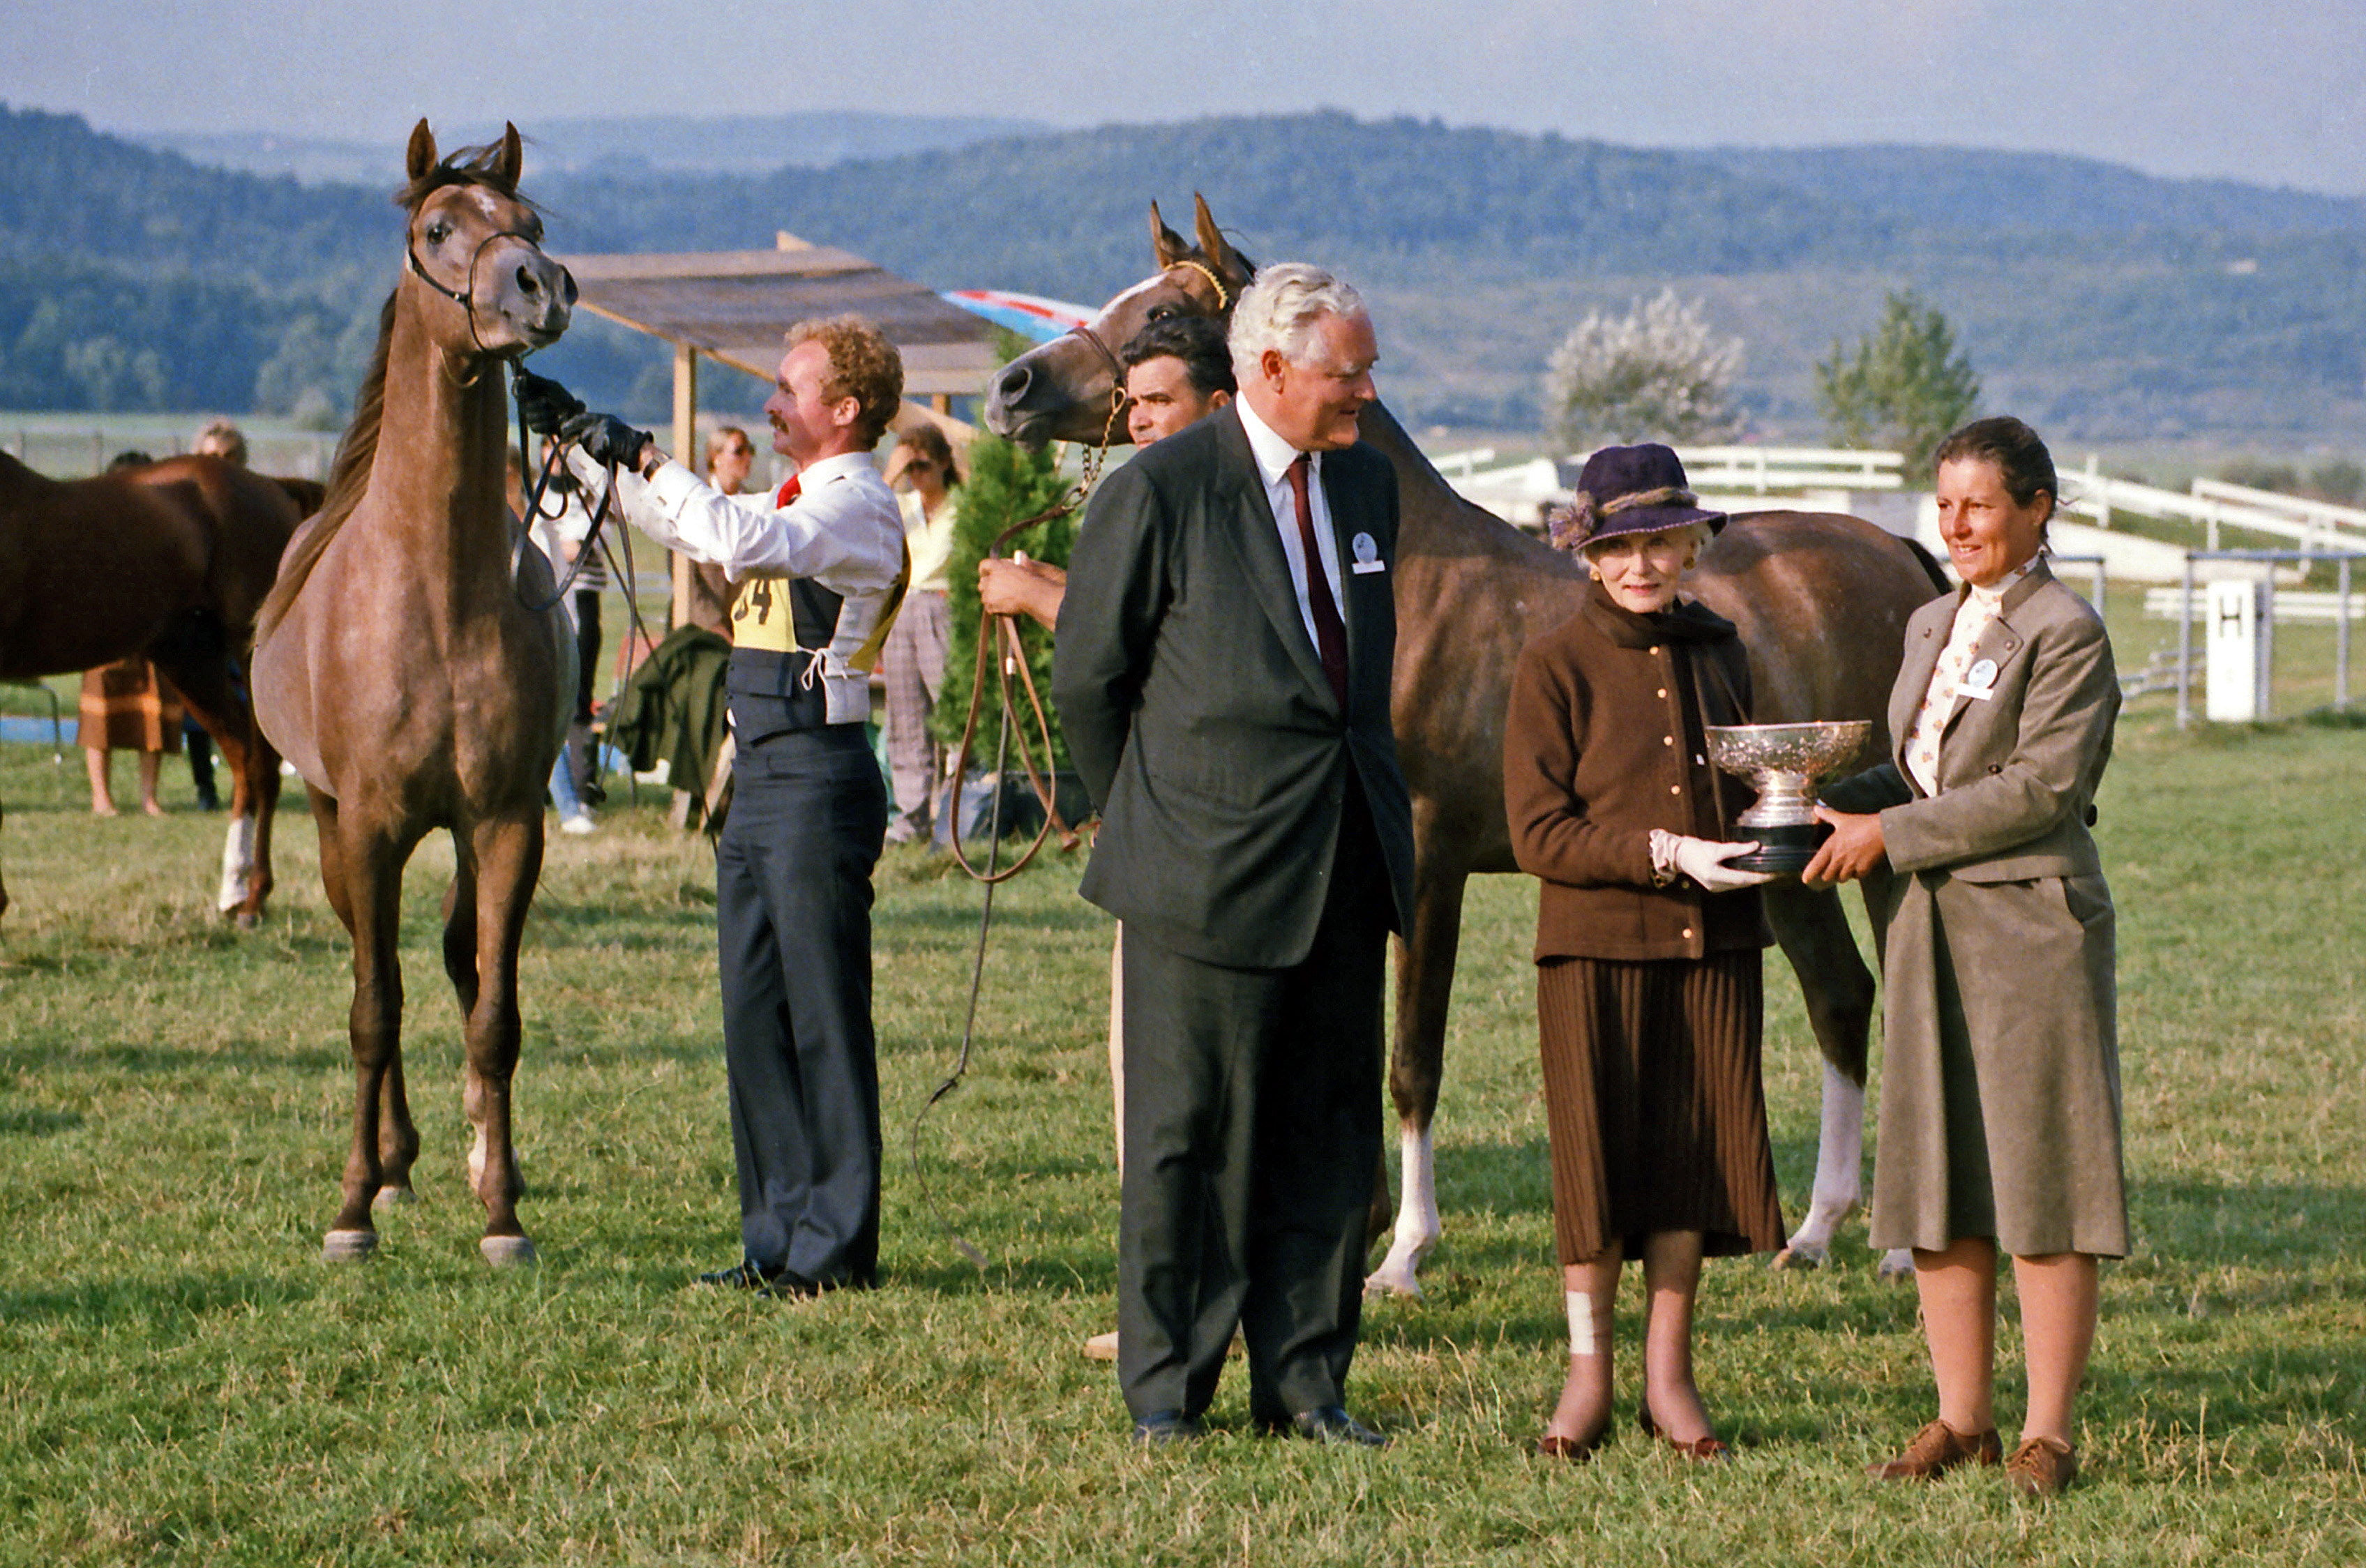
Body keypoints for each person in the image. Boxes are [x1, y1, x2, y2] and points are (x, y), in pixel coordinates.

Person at [1053, 264, 1415, 1447]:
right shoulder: (1158, 489)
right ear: (1266, 369)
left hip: (1343, 864)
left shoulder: (1366, 482)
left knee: (1327, 1135)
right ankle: (1169, 1387)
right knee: (1188, 1143)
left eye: (1363, 367)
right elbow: (1090, 681)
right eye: (1343, 371)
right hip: (1198, 873)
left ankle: (1306, 1380)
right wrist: (1150, 820)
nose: (1364, 389)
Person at [520, 314, 909, 1297]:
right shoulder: (799, 498)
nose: (772, 403)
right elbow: (698, 526)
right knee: (755, 1013)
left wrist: (645, 451)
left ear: (846, 409)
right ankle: (777, 1238)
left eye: (790, 388)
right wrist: (589, 447)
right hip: (767, 775)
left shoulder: (856, 505)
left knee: (822, 1016)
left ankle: (835, 1252)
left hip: (819, 773)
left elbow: (734, 534)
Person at [1804, 415, 2123, 1499]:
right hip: (1924, 929)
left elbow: (2041, 790)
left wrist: (1888, 835)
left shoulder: (2067, 631)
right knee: (1935, 1174)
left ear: (2037, 508)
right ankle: (1962, 1421)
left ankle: (2048, 1435)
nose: (1957, 525)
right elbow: (1917, 773)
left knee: (2040, 1180)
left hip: (2030, 930)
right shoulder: (1931, 620)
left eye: (1979, 505)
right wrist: (1809, 806)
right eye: (1943, 506)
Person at [1502, 444, 1784, 1463]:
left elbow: (1754, 785)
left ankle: (1670, 1378)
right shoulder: (1552, 667)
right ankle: (1589, 1379)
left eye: (1661, 544)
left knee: (1690, 1165)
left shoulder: (1722, 651)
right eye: (1619, 547)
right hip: (1593, 953)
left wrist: (1789, 823)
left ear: (1690, 545)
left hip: (1715, 948)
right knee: (1598, 1173)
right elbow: (1539, 835)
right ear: (1586, 554)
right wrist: (1668, 854)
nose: (1641, 566)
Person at [978, 314, 1235, 632]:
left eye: (1159, 401)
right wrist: (1068, 587)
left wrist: (1027, 593)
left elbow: (1125, 634)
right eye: (1133, 404)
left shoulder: (1228, 498)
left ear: (1220, 407)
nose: (1138, 421)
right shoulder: (1195, 491)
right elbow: (1157, 607)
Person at [80, 450, 182, 818]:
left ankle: (149, 798)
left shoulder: (164, 525)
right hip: (104, 633)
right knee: (99, 715)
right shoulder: (94, 527)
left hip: (151, 632)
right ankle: (101, 797)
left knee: (153, 712)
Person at [878, 424, 961, 845]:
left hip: (941, 606)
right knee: (906, 717)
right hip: (903, 607)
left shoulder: (962, 508)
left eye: (923, 465)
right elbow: (861, 512)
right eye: (911, 468)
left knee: (953, 712)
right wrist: (891, 472)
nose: (918, 476)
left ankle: (957, 816)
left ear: (944, 462)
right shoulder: (899, 505)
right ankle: (910, 819)